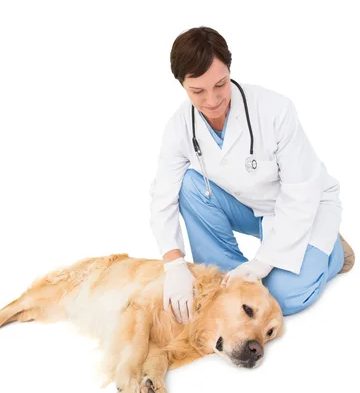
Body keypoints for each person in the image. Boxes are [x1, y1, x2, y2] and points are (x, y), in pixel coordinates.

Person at [149, 26, 355, 324]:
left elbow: (301, 192)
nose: (211, 100)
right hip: (251, 208)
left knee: (281, 298)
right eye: (198, 91)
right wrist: (174, 263)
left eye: (220, 84)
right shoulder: (179, 126)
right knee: (189, 186)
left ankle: (333, 254)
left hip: (306, 209)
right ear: (182, 85)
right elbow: (162, 195)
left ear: (229, 70)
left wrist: (263, 263)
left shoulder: (275, 110)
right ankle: (229, 278)